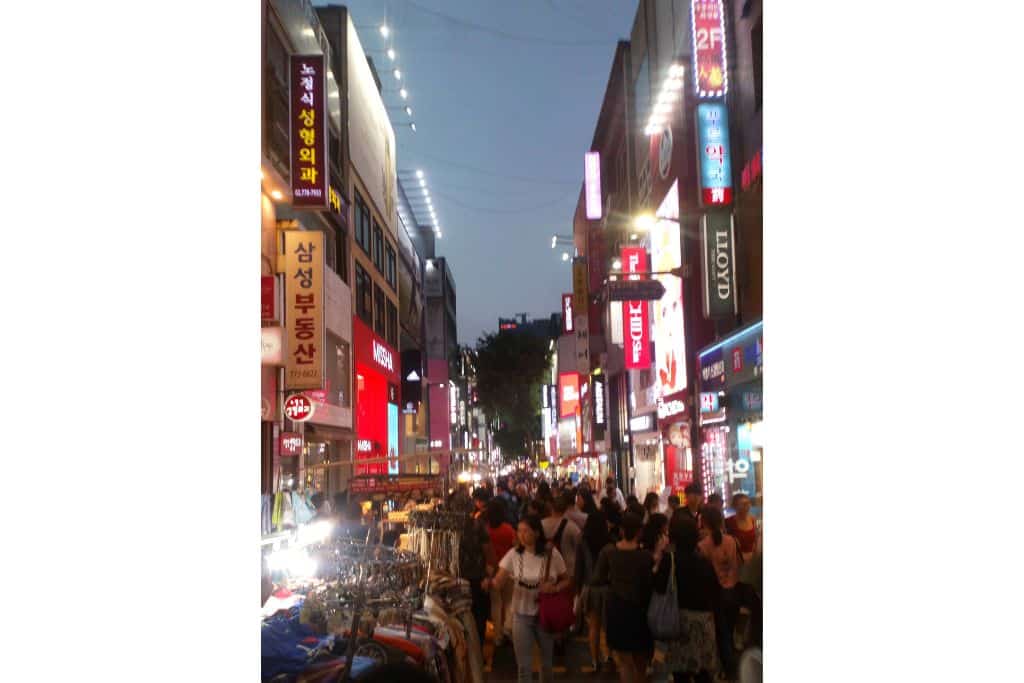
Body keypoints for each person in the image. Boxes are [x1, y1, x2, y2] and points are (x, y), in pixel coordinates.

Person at [493, 514, 571, 683]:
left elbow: (567, 579)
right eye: (519, 531)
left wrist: (555, 587)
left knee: (547, 664)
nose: (521, 535)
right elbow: (499, 579)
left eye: (526, 531)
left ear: (536, 533)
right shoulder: (513, 554)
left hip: (546, 616)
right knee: (523, 666)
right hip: (521, 615)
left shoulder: (551, 554)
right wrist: (493, 582)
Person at [652, 516, 720, 683]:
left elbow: (659, 586)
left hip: (679, 621)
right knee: (703, 672)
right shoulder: (703, 560)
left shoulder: (670, 559)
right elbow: (714, 589)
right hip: (704, 621)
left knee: (680, 672)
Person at [591, 511, 655, 683]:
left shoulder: (608, 552)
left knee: (625, 662)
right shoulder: (645, 556)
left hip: (617, 608)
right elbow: (650, 583)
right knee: (640, 659)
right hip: (640, 610)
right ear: (639, 532)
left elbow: (597, 578)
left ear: (621, 530)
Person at [699, 506, 761, 680]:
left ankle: (728, 669)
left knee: (722, 634)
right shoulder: (732, 540)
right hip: (733, 591)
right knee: (731, 632)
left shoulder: (703, 546)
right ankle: (733, 666)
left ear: (704, 522)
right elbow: (740, 564)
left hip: (716, 593)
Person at [575, 511, 611, 674]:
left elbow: (579, 569)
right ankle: (609, 656)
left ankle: (595, 660)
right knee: (609, 626)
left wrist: (577, 591)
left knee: (594, 627)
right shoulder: (610, 542)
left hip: (589, 588)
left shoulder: (583, 542)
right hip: (608, 588)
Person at [483, 499, 517, 647]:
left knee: (496, 604)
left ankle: (497, 636)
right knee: (509, 601)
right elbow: (516, 546)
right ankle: (508, 629)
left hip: (493, 571)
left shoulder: (486, 530)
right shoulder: (508, 529)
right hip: (508, 570)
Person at [725, 493, 759, 562]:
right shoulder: (728, 522)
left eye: (748, 503)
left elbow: (756, 540)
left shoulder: (753, 519)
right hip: (736, 560)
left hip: (751, 559)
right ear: (735, 506)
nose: (747, 506)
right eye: (744, 504)